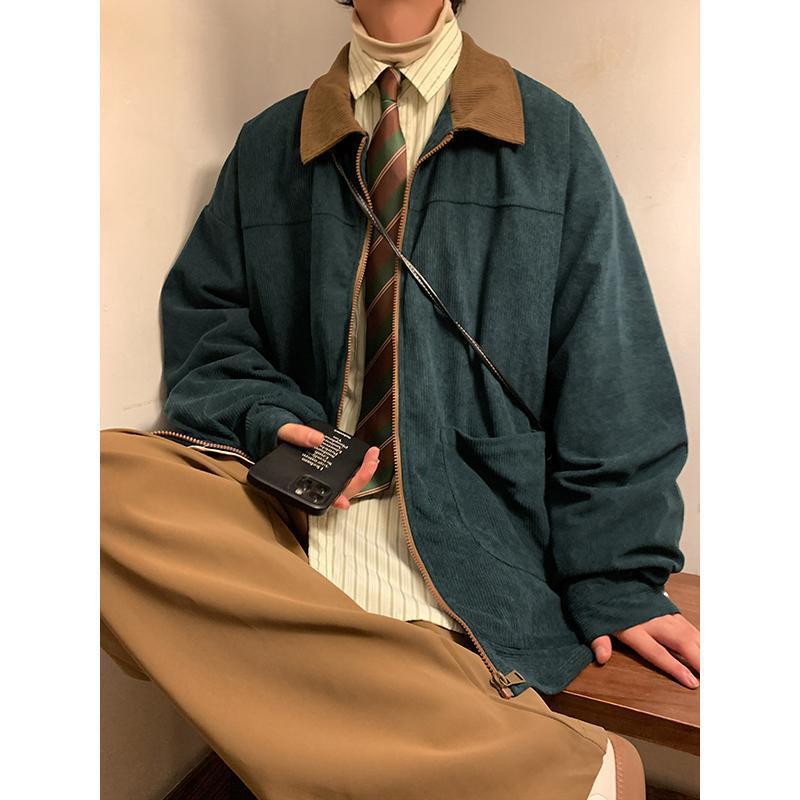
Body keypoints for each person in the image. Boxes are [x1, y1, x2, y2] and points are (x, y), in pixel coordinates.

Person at [100, 1, 699, 798]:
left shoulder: (548, 137)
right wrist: (270, 418)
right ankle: (555, 770)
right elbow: (210, 333)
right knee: (99, 483)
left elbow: (613, 377)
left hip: (471, 541)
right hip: (291, 528)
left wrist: (619, 577)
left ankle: (410, 712)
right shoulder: (270, 145)